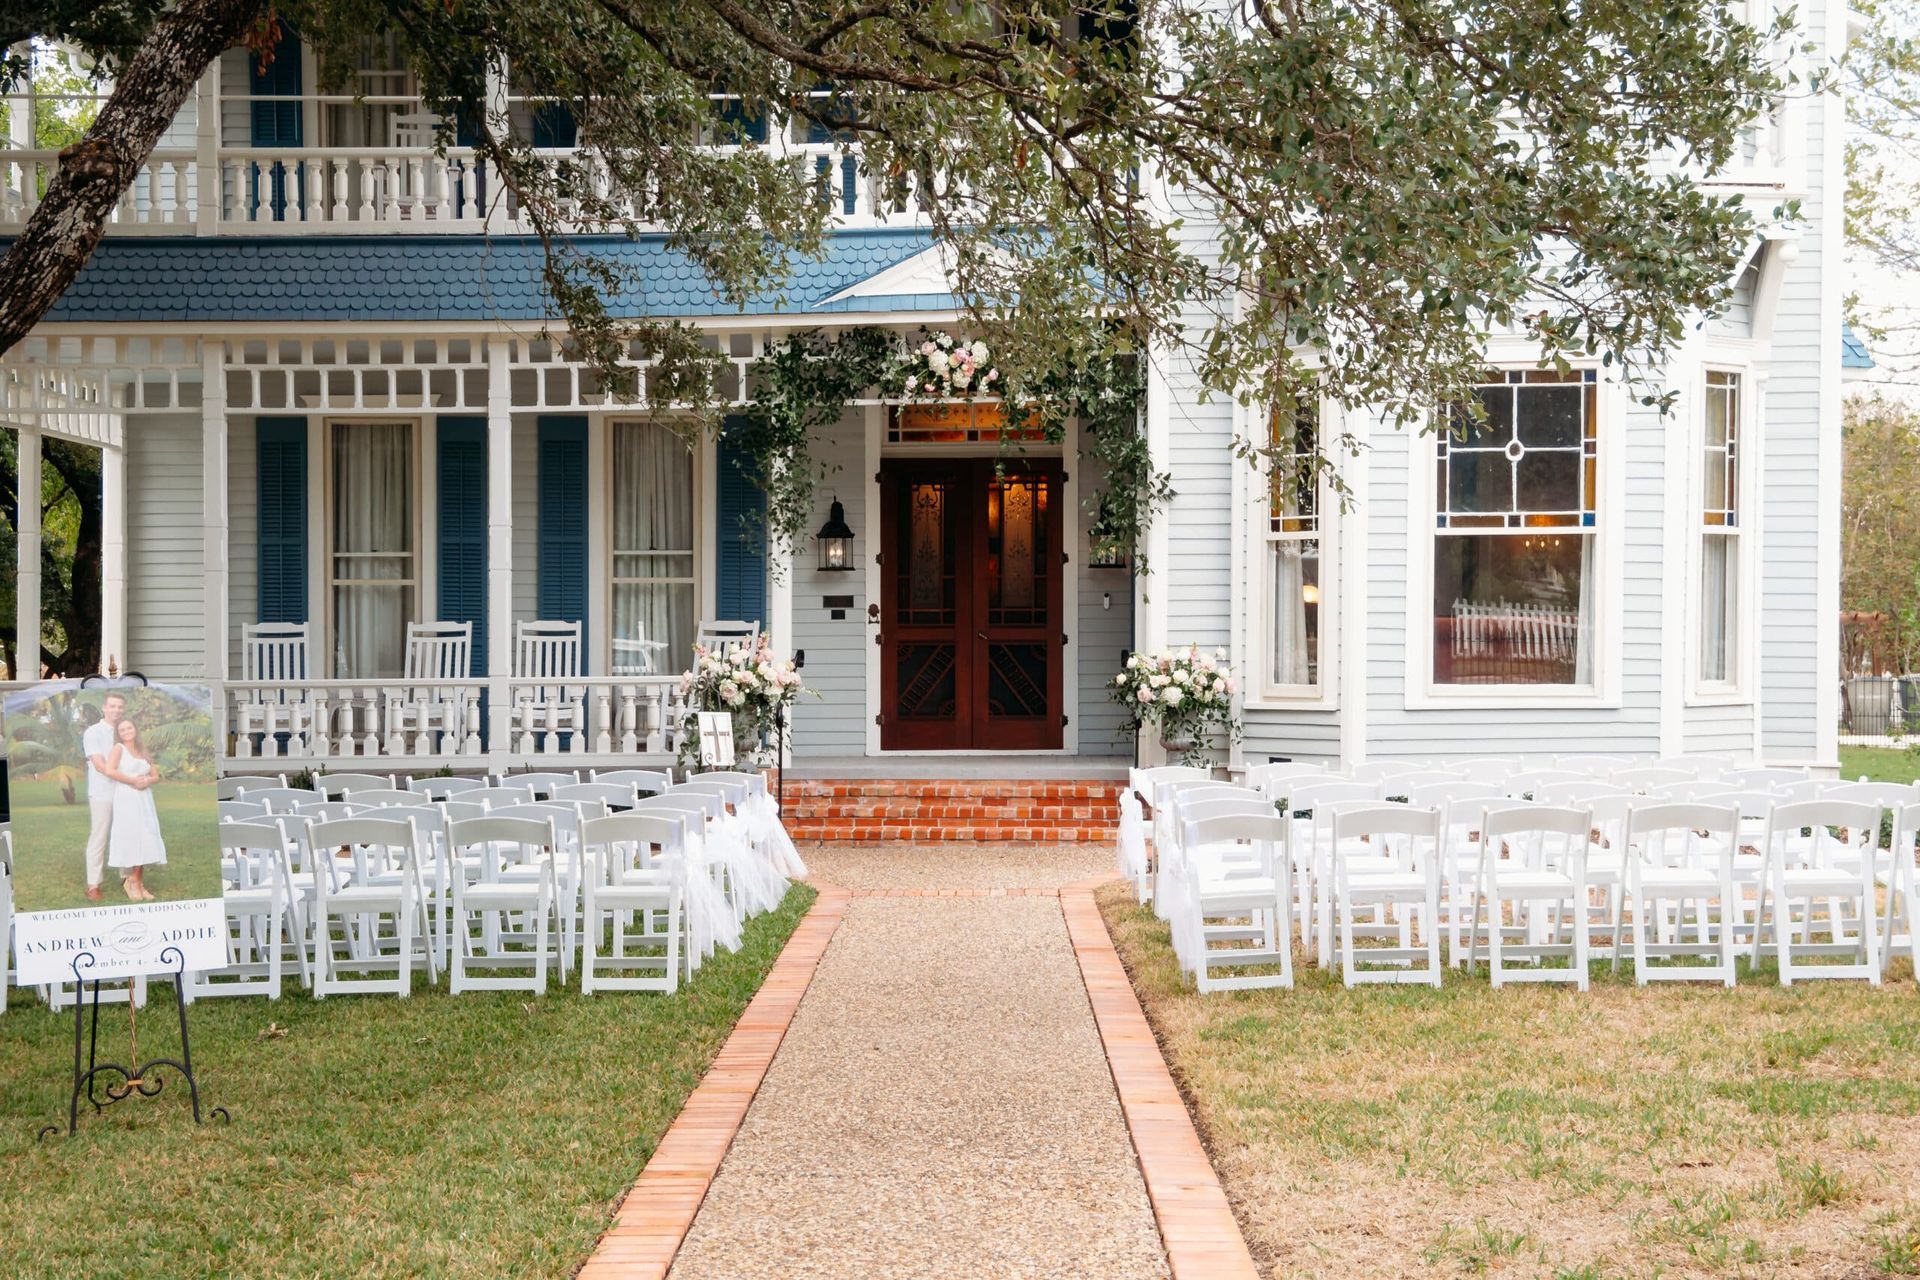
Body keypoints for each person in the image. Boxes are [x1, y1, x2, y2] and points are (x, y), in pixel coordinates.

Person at [103, 718, 167, 901]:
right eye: (122, 730)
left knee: (145, 836)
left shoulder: (142, 751)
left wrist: (146, 781)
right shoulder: (118, 749)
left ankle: (138, 882)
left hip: (144, 798)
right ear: (119, 734)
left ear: (135, 729)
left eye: (129, 727)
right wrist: (133, 781)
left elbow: (155, 776)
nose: (126, 731)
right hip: (126, 796)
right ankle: (130, 881)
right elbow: (109, 771)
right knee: (132, 836)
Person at [80, 692, 128, 901]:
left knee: (125, 834)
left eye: (120, 707)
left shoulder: (126, 731)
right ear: (104, 708)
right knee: (99, 836)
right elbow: (99, 764)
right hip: (102, 792)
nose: (116, 710)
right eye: (112, 706)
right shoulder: (93, 732)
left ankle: (127, 878)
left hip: (125, 793)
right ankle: (93, 884)